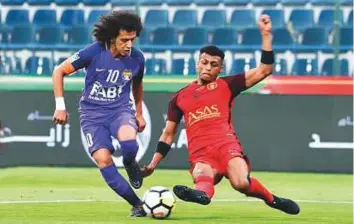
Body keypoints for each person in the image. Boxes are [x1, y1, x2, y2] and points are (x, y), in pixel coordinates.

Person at [141, 15, 300, 215]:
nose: (208, 67)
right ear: (197, 64)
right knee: (202, 174)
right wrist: (153, 164)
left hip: (227, 146)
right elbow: (168, 134)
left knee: (241, 183)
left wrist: (266, 34)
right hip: (201, 153)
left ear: (220, 68)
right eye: (204, 62)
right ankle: (202, 195)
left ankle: (272, 199)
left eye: (213, 64)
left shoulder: (227, 84)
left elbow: (264, 70)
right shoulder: (179, 97)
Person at [52, 10, 147, 217]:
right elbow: (59, 71)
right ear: (113, 37)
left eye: (132, 40)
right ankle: (137, 204)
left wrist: (139, 113)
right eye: (124, 40)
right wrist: (60, 105)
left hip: (119, 110)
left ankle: (130, 162)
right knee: (104, 160)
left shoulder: (137, 58)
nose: (129, 45)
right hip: (92, 115)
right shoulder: (93, 52)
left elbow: (137, 85)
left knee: (129, 142)